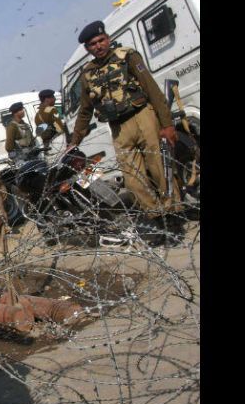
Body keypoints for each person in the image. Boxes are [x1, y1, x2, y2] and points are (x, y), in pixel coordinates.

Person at [68, 20, 182, 242]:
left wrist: (166, 124)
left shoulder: (127, 57)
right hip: (119, 129)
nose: (99, 46)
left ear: (108, 39)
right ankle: (157, 221)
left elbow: (152, 89)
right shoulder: (88, 74)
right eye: (93, 44)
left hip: (143, 118)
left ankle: (174, 218)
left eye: (101, 40)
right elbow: (85, 111)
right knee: (133, 180)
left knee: (159, 170)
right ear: (87, 49)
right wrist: (74, 141)